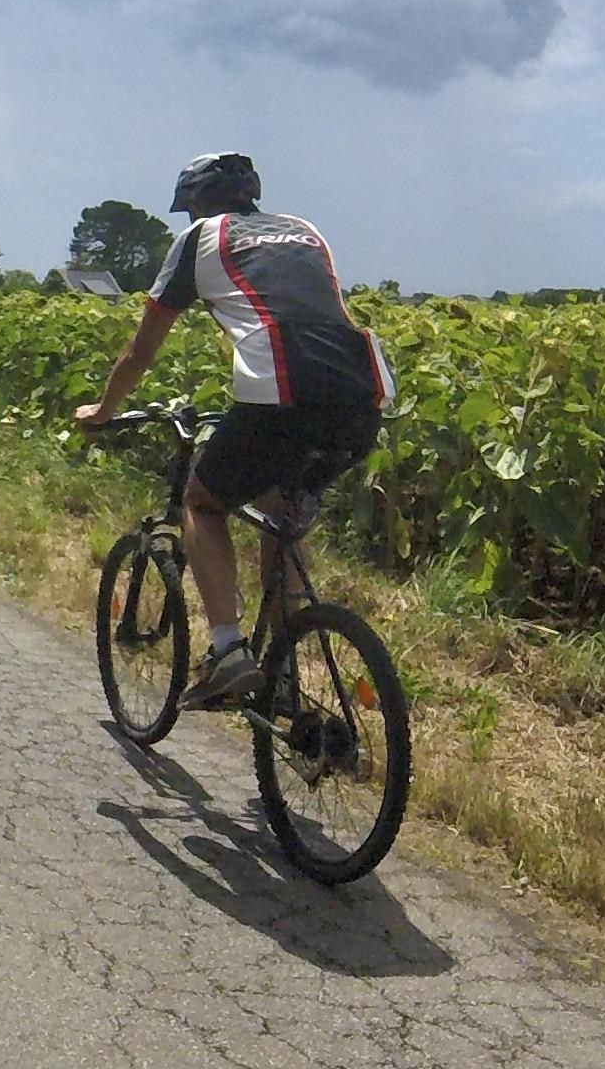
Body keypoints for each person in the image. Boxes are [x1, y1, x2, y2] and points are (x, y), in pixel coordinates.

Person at [76, 153, 395, 708]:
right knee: (280, 518)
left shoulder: (201, 238)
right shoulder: (305, 231)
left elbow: (141, 348)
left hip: (281, 391)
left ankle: (227, 651)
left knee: (202, 502)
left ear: (196, 203)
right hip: (362, 392)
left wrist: (103, 410)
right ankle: (285, 682)